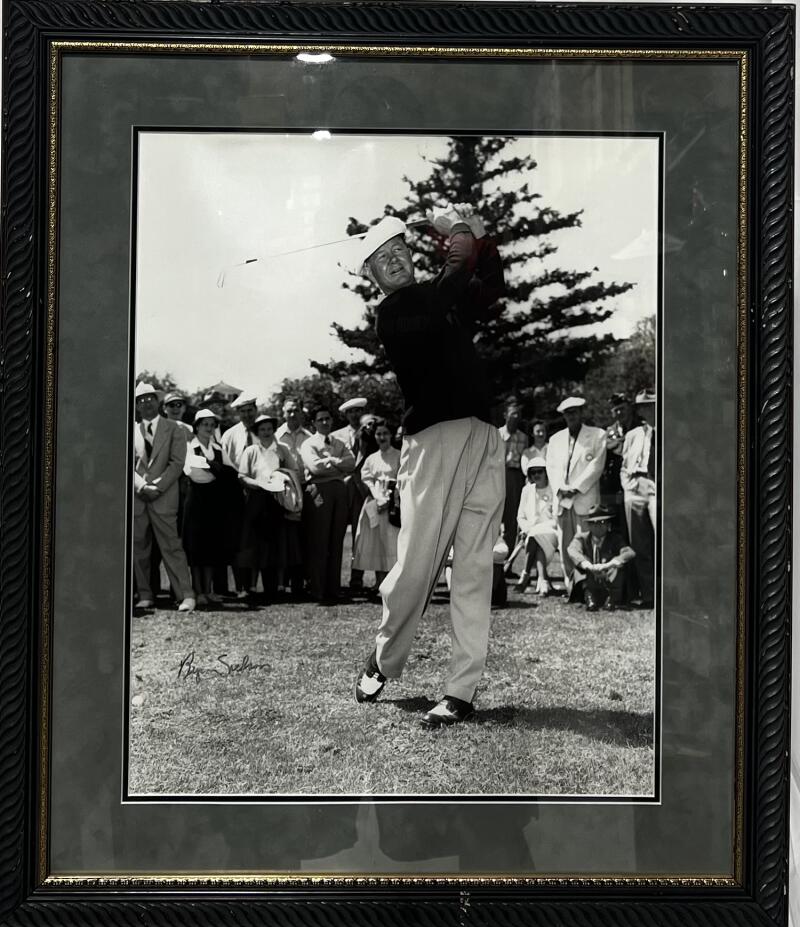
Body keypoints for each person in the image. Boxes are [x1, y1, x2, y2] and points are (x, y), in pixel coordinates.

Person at [353, 203, 506, 728]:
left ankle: (460, 690)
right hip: (432, 440)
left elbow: (488, 286)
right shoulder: (394, 312)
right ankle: (385, 657)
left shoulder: (441, 298)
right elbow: (455, 275)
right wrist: (462, 231)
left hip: (485, 434)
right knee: (416, 567)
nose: (393, 261)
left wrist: (480, 238)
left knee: (474, 567)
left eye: (398, 250)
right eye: (381, 259)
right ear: (372, 278)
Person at [132, 381, 195, 612]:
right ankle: (146, 595)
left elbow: (177, 463)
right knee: (140, 549)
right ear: (137, 406)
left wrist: (156, 487)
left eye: (150, 398)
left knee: (172, 547)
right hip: (139, 498)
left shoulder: (175, 429)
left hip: (164, 497)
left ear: (158, 402)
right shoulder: (131, 430)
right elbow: (128, 465)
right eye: (141, 400)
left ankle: (186, 595)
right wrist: (141, 487)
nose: (146, 403)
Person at [545, 396, 607, 597]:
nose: (571, 416)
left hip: (584, 498)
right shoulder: (555, 439)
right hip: (563, 500)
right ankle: (571, 587)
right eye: (567, 413)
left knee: (586, 544)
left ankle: (590, 587)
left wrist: (576, 488)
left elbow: (596, 466)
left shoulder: (598, 435)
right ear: (563, 415)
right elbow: (551, 468)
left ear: (582, 413)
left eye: (575, 411)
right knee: (565, 545)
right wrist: (561, 489)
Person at [238, 415, 298, 603]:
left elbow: (293, 471)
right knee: (255, 544)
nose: (266, 433)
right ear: (257, 432)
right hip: (256, 499)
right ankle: (253, 586)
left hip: (277, 499)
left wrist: (282, 478)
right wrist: (257, 484)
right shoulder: (251, 451)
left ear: (273, 430)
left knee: (278, 542)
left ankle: (279, 585)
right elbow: (242, 475)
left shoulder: (282, 449)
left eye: (269, 429)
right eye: (262, 429)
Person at [181, 409, 239, 605]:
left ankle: (208, 590)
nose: (209, 428)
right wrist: (216, 470)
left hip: (215, 505)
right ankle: (198, 592)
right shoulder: (190, 447)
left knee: (212, 548)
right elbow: (192, 471)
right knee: (196, 549)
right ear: (197, 426)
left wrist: (209, 465)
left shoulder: (218, 448)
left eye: (212, 425)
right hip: (196, 503)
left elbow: (231, 473)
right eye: (205, 424)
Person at [300, 407, 356, 604]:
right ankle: (317, 588)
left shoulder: (340, 442)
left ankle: (333, 588)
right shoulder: (308, 444)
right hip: (318, 490)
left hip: (339, 491)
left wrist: (331, 460)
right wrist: (337, 464)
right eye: (320, 419)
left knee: (336, 539)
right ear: (313, 423)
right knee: (319, 539)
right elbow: (315, 467)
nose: (324, 422)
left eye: (327, 419)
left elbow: (352, 463)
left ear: (332, 421)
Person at [352, 420, 401, 594]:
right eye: (378, 434)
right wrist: (378, 497)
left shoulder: (399, 455)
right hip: (375, 503)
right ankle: (380, 583)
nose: (382, 437)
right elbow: (367, 480)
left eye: (385, 433)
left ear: (391, 436)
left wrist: (389, 499)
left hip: (394, 504)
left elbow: (402, 479)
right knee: (377, 543)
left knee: (392, 543)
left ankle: (394, 584)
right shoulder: (371, 458)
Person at [221, 391, 259, 598]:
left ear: (256, 409)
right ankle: (240, 586)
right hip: (237, 493)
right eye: (243, 411)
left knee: (257, 539)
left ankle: (254, 585)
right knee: (239, 540)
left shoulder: (264, 430)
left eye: (250, 410)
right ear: (238, 414)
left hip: (262, 492)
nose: (247, 415)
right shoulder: (230, 435)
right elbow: (227, 465)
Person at [620, 389, 657, 607]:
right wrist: (628, 487)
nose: (645, 410)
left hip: (658, 487)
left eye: (650, 405)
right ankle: (649, 594)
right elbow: (625, 466)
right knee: (640, 545)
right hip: (635, 488)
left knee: (664, 541)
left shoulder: (669, 431)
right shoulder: (633, 434)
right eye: (642, 406)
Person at [332, 397, 371, 592]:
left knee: (359, 535)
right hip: (341, 487)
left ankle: (356, 579)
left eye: (358, 411)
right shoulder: (335, 436)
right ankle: (332, 579)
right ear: (345, 415)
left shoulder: (370, 434)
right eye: (351, 411)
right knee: (335, 534)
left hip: (360, 490)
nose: (355, 415)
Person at [566, 504, 635, 611]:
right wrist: (589, 566)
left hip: (608, 579)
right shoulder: (581, 538)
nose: (598, 526)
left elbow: (629, 552)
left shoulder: (615, 538)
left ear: (608, 524)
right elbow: (572, 550)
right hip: (589, 581)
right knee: (579, 569)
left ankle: (612, 599)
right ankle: (589, 598)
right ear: (588, 525)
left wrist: (609, 565)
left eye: (602, 522)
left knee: (619, 567)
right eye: (593, 523)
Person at [275, 399, 313, 596]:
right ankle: (284, 582)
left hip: (306, 488)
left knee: (304, 536)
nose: (292, 414)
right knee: (285, 538)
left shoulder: (309, 436)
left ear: (301, 413)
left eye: (296, 411)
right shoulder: (276, 437)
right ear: (283, 413)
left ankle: (301, 580)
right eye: (289, 411)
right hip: (285, 490)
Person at [515, 457, 557, 596]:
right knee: (536, 538)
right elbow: (520, 516)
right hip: (532, 533)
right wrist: (527, 529)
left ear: (546, 472)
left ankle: (525, 574)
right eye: (533, 473)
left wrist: (532, 530)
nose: (536, 475)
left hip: (551, 531)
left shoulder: (554, 489)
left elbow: (557, 517)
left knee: (536, 535)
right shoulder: (527, 491)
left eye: (539, 471)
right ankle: (543, 580)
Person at [498, 402, 528, 547]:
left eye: (518, 414)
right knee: (496, 515)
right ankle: (492, 559)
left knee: (512, 517)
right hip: (498, 475)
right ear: (505, 415)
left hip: (515, 478)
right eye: (512, 414)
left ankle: (506, 561)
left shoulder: (523, 437)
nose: (515, 417)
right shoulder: (497, 434)